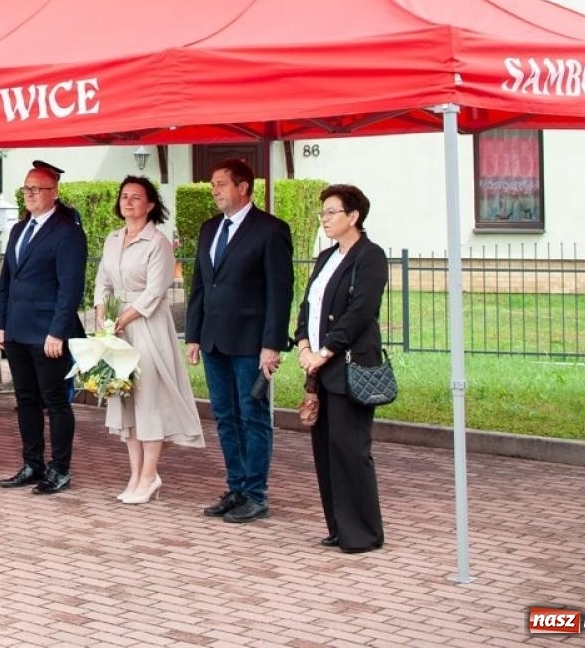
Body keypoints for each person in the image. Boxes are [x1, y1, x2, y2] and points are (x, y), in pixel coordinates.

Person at [186, 158, 294, 524]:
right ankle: (235, 487)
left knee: (253, 417)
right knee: (225, 417)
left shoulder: (270, 230)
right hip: (215, 340)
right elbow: (200, 286)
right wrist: (194, 334)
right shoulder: (209, 229)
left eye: (220, 183)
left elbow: (280, 292)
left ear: (244, 187)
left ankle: (255, 493)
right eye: (212, 184)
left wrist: (272, 343)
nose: (214, 190)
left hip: (250, 342)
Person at [95, 176, 203, 504]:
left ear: (150, 205)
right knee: (124, 398)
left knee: (149, 399)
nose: (128, 202)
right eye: (124, 196)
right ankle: (135, 474)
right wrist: (103, 317)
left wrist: (123, 319)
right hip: (115, 327)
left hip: (147, 326)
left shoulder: (158, 242)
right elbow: (102, 281)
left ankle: (150, 474)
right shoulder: (113, 239)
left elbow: (156, 292)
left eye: (136, 197)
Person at [295, 184, 387, 553]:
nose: (325, 219)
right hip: (319, 367)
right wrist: (303, 344)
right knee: (326, 450)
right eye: (323, 213)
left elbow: (360, 311)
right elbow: (308, 306)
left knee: (351, 449)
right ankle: (338, 526)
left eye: (332, 212)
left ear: (354, 216)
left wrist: (326, 350)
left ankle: (363, 532)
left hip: (349, 365)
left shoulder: (370, 256)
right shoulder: (326, 257)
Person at [0, 160, 87, 495]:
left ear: (54, 192)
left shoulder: (67, 231)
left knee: (56, 401)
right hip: (17, 330)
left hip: (48, 334)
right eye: (27, 189)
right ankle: (33, 462)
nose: (30, 195)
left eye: (37, 189)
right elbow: (7, 279)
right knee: (26, 399)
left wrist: (58, 332)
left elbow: (70, 288)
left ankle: (59, 469)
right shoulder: (20, 228)